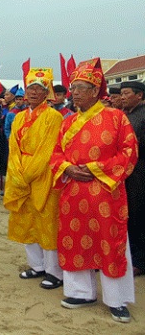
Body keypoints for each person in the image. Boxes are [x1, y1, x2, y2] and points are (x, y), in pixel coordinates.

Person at [49, 58, 137, 323]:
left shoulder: (116, 118)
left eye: (79, 88)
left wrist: (98, 169)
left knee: (111, 243)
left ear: (94, 90)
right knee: (74, 239)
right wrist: (66, 167)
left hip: (106, 193)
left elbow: (129, 153)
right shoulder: (67, 122)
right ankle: (80, 292)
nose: (73, 92)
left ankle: (116, 299)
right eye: (73, 87)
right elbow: (55, 154)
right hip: (74, 191)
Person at [4, 68, 64, 290]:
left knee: (46, 223)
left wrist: (27, 175)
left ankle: (54, 271)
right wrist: (17, 172)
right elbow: (13, 147)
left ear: (47, 92)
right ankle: (36, 265)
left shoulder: (53, 117)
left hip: (43, 176)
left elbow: (47, 151)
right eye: (30, 88)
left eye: (39, 89)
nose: (34, 93)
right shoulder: (19, 117)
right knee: (26, 221)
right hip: (21, 173)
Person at [119, 80, 145, 277]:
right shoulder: (126, 116)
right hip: (127, 174)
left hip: (140, 173)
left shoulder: (142, 116)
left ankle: (140, 261)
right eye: (121, 93)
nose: (122, 97)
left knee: (138, 216)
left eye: (126, 93)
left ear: (139, 96)